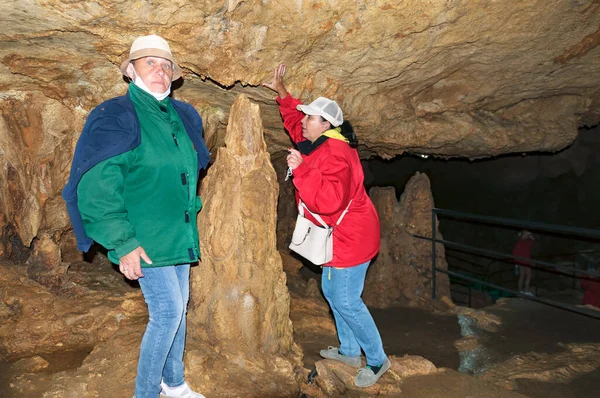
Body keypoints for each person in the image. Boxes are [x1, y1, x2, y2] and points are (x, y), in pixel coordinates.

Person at [62, 35, 210, 398]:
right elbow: (97, 190)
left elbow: (188, 172)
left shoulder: (183, 117)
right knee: (166, 313)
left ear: (173, 74)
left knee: (179, 311)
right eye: (150, 64)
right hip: (144, 237)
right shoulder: (116, 115)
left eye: (165, 65)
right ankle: (145, 392)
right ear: (131, 71)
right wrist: (123, 243)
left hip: (178, 234)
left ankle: (173, 383)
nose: (159, 71)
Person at [263, 64, 390, 388]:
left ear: (326, 124)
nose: (304, 122)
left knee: (347, 300)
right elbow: (296, 127)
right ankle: (349, 351)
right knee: (331, 290)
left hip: (353, 237)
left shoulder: (336, 153)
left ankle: (377, 360)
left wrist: (302, 170)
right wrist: (283, 94)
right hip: (338, 236)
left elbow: (329, 201)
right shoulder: (320, 141)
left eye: (310, 118)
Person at [512, 230, 536, 295]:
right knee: (523, 275)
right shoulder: (520, 242)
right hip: (522, 261)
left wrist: (530, 236)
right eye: (527, 234)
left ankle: (525, 291)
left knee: (527, 275)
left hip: (526, 261)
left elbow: (532, 242)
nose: (528, 235)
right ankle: (522, 291)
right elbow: (515, 252)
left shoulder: (524, 242)